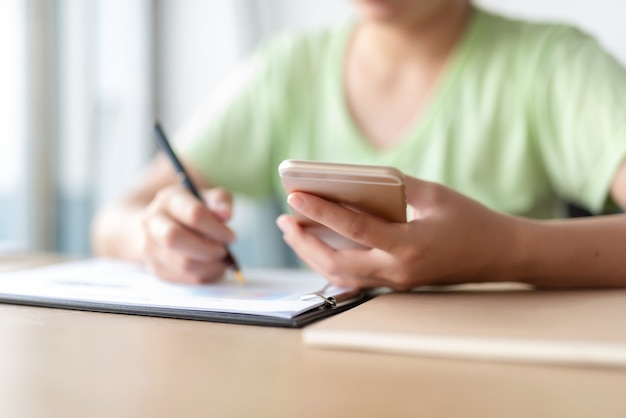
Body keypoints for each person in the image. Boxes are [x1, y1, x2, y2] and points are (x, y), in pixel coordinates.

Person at [91, 0, 626, 290]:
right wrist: (159, 239)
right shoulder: (287, 70)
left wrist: (505, 251)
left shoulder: (555, 64)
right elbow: (114, 218)